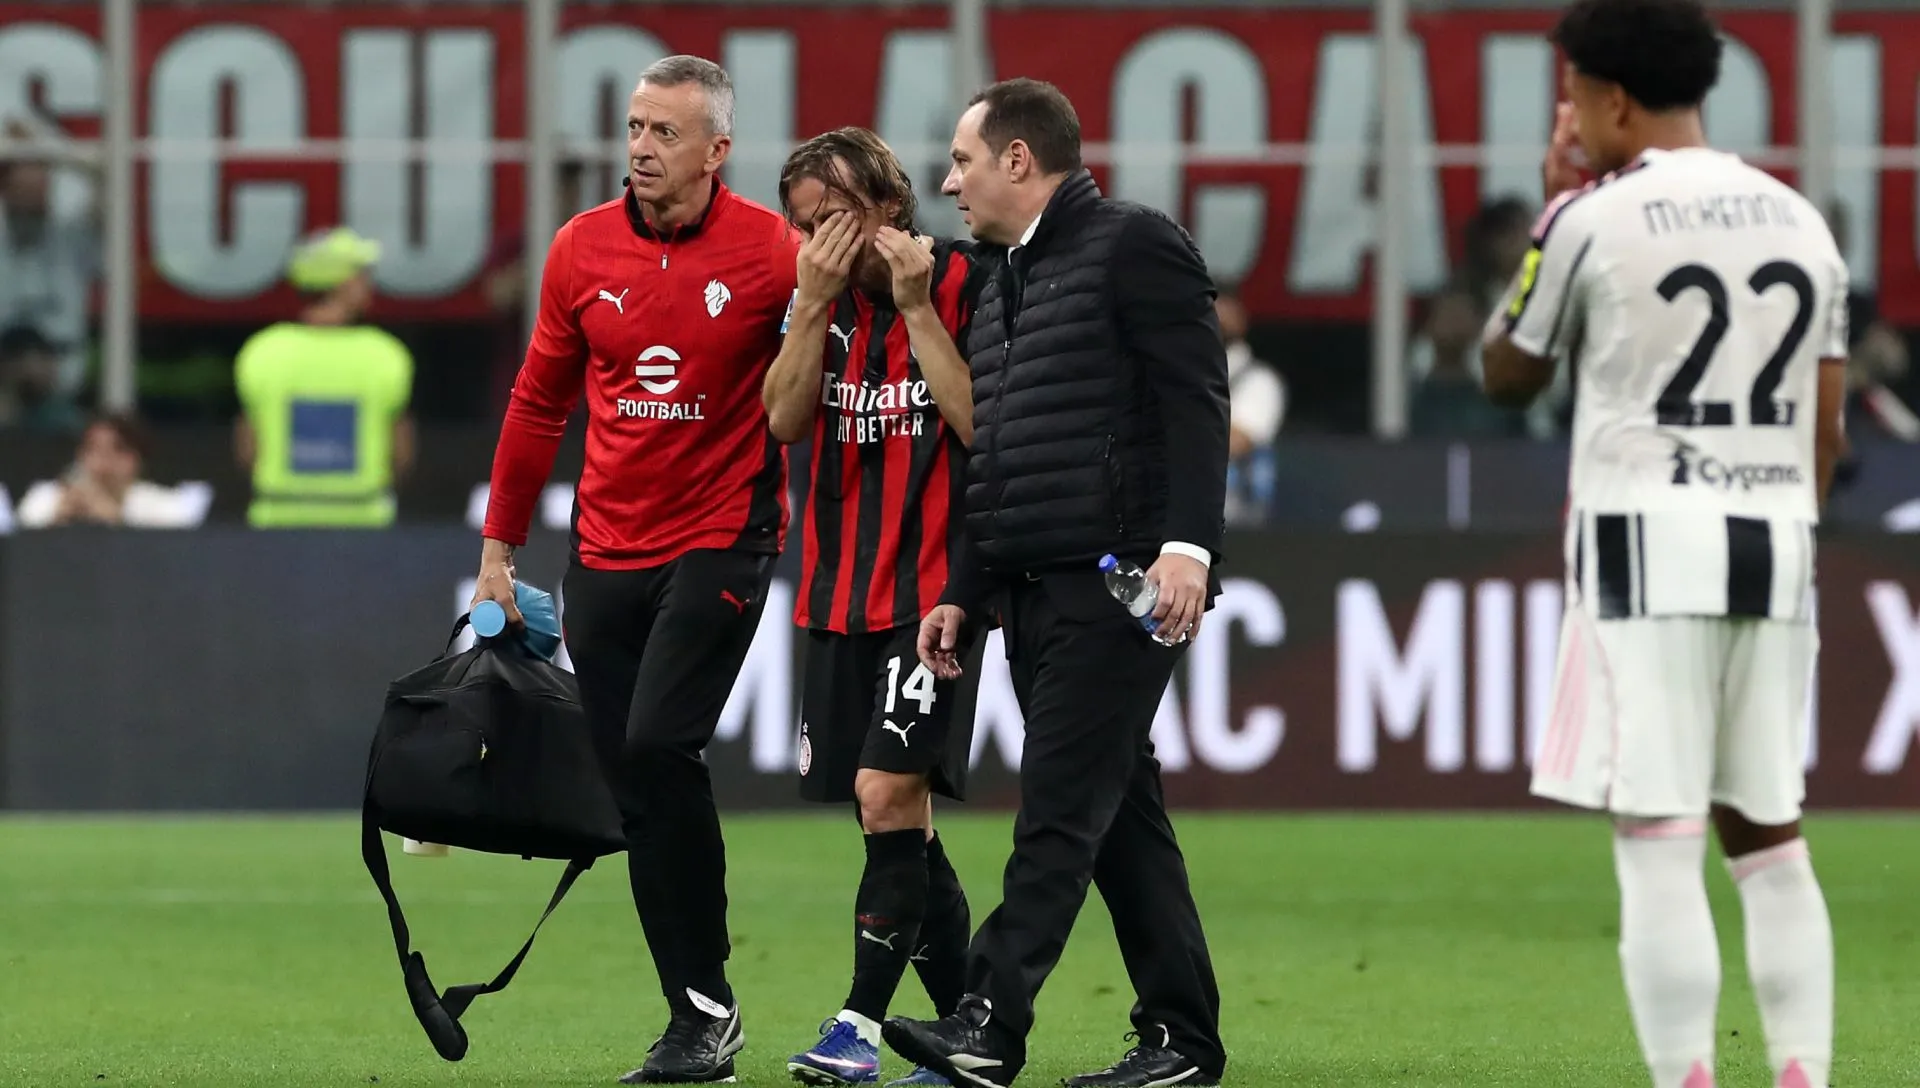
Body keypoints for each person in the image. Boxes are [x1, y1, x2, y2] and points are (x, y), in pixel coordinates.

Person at [1478, 3, 1848, 1087]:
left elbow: (1510, 370)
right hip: (1777, 544)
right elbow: (1823, 429)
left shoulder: (1590, 217)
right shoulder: (1800, 220)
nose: (1569, 116)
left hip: (1647, 545)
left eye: (1573, 93)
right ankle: (1801, 1073)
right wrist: (1788, 522)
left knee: (1659, 831)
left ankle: (1688, 1073)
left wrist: (1554, 205)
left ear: (1613, 100)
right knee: (1769, 834)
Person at [881, 78, 1229, 1088]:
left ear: (1020, 160)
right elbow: (1005, 455)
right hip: (1034, 580)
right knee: (1118, 815)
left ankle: (988, 1019)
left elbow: (1197, 403)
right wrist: (966, 584)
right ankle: (1182, 1038)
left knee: (1062, 805)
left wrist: (1189, 549)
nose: (950, 181)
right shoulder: (1002, 277)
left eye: (963, 160)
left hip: (1117, 577)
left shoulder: (1134, 244)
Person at [471, 54, 802, 1086]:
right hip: (606, 550)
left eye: (666, 133)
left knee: (662, 743)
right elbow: (537, 404)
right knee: (639, 788)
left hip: (723, 534)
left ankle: (705, 1009)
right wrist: (499, 547)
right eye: (634, 128)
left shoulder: (772, 251)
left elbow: (818, 384)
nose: (643, 149)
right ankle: (701, 1011)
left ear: (718, 150)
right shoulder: (580, 248)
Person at [762, 127, 984, 1088]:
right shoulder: (813, 298)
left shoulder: (970, 283)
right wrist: (811, 301)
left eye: (834, 220)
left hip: (931, 597)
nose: (817, 240)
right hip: (834, 595)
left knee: (888, 794)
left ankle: (857, 1024)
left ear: (890, 208)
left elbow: (983, 422)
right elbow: (784, 418)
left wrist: (916, 307)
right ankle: (967, 1033)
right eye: (804, 224)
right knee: (898, 824)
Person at [233, 227, 415, 528]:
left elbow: (248, 450)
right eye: (361, 272)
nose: (368, 282)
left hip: (276, 521)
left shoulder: (263, 351)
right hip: (364, 521)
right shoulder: (385, 354)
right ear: (342, 283)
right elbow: (400, 454)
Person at [15, 412, 199, 528]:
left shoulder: (161, 504)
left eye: (117, 450)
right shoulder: (45, 497)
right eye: (93, 449)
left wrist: (116, 521)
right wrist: (56, 520)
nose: (103, 461)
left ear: (137, 459)